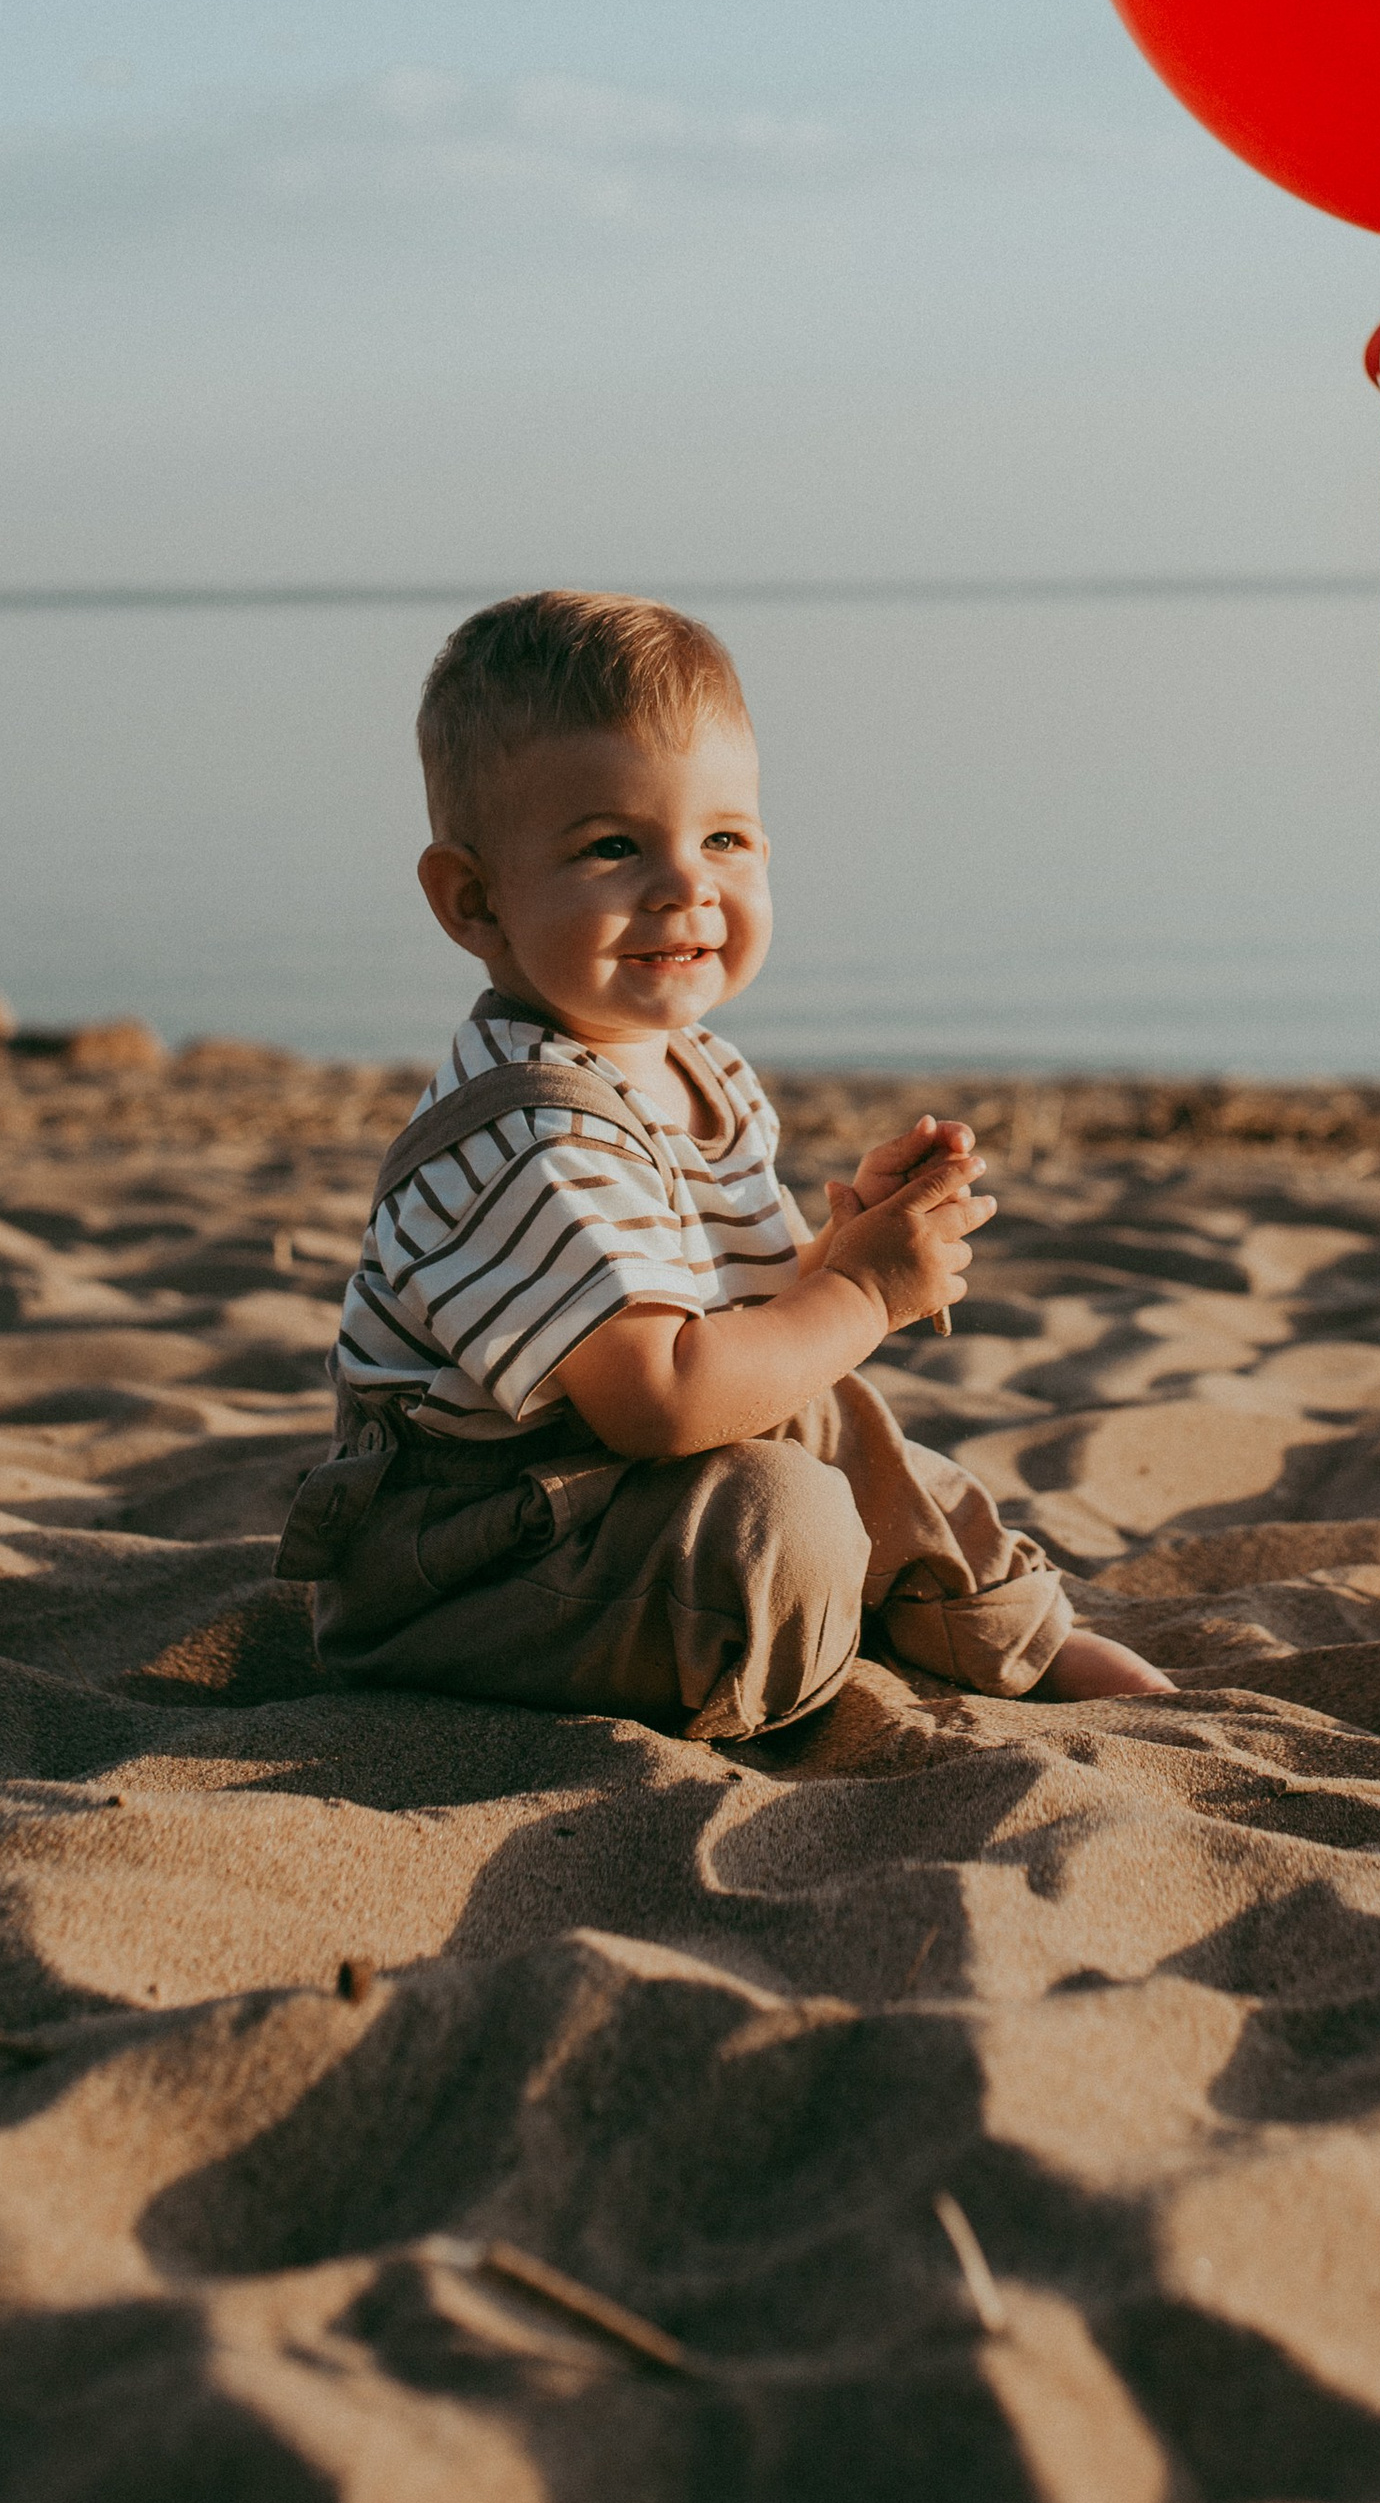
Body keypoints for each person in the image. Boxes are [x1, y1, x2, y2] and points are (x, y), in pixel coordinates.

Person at [282, 587, 1174, 1740]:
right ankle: (822, 1650)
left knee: (835, 1415)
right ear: (474, 900)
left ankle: (992, 1629)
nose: (683, 885)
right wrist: (858, 1292)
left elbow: (720, 1320)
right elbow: (659, 1399)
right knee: (782, 1510)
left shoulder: (694, 1066)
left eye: (723, 839)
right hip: (464, 1570)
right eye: (612, 848)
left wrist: (838, 1253)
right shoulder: (530, 1137)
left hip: (600, 1506)